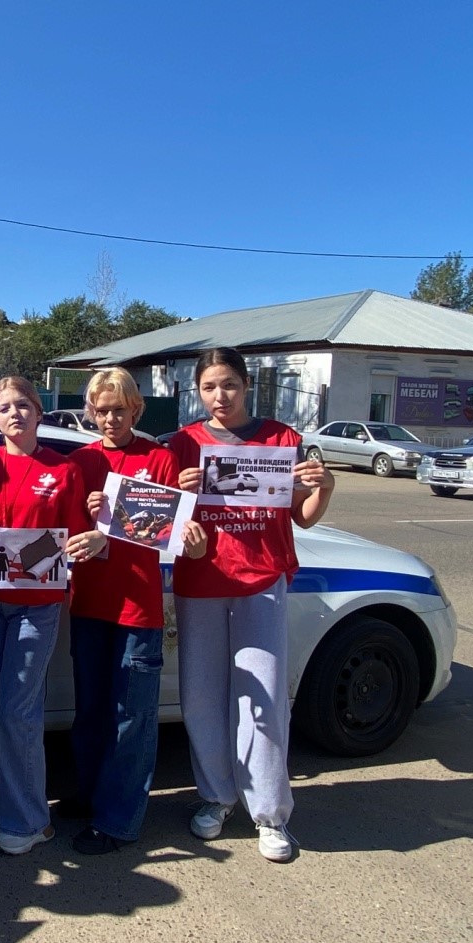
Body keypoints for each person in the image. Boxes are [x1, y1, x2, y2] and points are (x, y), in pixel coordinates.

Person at [167, 348, 334, 863]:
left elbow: (303, 517)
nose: (221, 396)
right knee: (200, 699)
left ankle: (270, 814)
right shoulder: (182, 444)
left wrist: (323, 488)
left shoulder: (282, 440)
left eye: (230, 385)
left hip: (261, 582)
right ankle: (216, 797)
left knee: (261, 702)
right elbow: (156, 519)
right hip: (201, 584)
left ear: (247, 386)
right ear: (198, 391)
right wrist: (178, 492)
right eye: (211, 387)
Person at [64, 369, 206, 854]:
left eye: (119, 410)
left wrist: (117, 528)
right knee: (91, 713)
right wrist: (85, 512)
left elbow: (170, 532)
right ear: (90, 412)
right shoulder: (79, 460)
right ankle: (89, 796)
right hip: (88, 605)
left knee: (131, 718)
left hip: (138, 609)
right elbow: (63, 528)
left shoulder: (159, 459)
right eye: (101, 411)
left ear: (136, 411)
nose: (109, 419)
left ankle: (119, 821)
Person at [0, 375, 103, 856]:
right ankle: (5, 805)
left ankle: (31, 821)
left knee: (19, 713)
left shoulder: (63, 470)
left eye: (24, 405)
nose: (15, 414)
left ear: (39, 413)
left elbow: (73, 539)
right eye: (5, 408)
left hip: (37, 607)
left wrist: (24, 558)